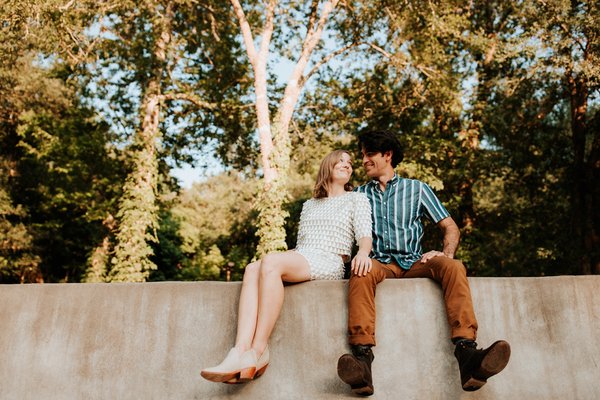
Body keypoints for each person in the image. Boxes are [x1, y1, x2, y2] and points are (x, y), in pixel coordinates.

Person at [337, 130, 511, 396]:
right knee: (360, 270)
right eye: (362, 155)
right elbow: (340, 234)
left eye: (369, 154)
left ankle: (468, 355)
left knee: (453, 266)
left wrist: (445, 253)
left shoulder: (417, 189)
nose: (363, 160)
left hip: (414, 262)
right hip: (380, 264)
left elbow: (450, 227)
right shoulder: (358, 195)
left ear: (387, 155)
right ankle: (362, 360)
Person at [201, 149, 373, 384]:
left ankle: (258, 350)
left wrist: (363, 253)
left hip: (331, 259)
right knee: (253, 268)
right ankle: (240, 351)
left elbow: (365, 235)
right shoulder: (309, 205)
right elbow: (302, 245)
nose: (347, 165)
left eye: (350, 162)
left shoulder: (357, 198)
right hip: (305, 254)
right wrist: (284, 257)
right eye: (340, 160)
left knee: (271, 261)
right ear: (328, 166)